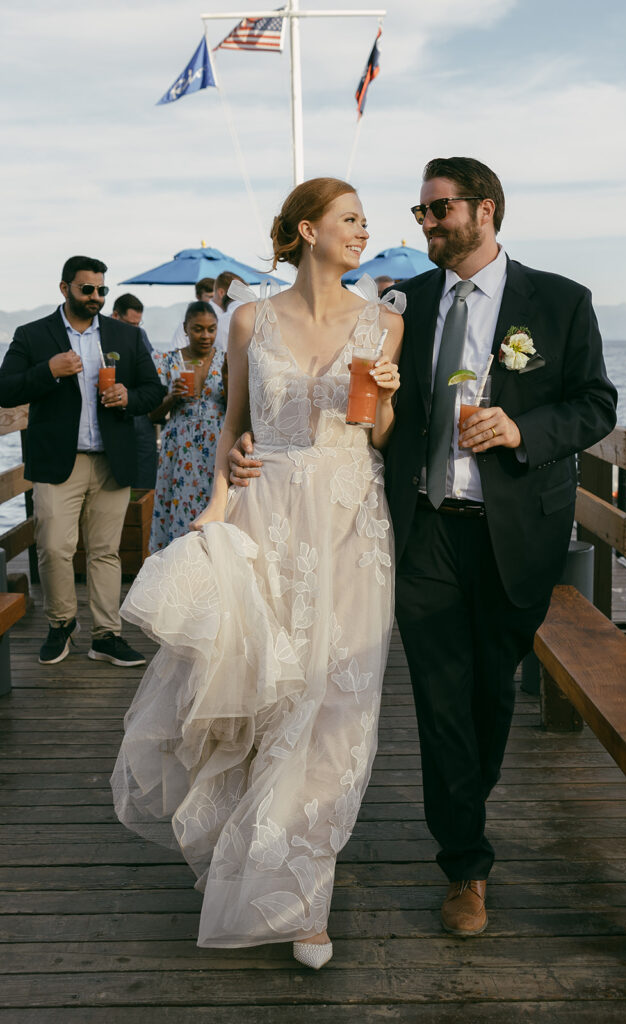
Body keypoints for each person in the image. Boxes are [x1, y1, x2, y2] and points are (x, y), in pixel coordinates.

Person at [228, 157, 617, 938]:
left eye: (439, 211)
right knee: (440, 701)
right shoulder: (403, 305)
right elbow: (359, 406)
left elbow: (596, 404)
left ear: (485, 209)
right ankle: (466, 866)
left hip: (516, 533)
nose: (426, 224)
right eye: (422, 212)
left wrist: (521, 428)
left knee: (491, 697)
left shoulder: (561, 301)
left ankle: (468, 815)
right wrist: (254, 443)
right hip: (423, 528)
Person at [111, 178, 403, 969]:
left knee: (334, 706)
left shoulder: (385, 323)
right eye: (349, 218)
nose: (362, 229)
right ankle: (247, 862)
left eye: (364, 221)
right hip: (263, 513)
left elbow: (378, 435)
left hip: (348, 523)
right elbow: (231, 425)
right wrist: (214, 506)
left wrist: (384, 400)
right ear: (307, 229)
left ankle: (304, 897)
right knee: (266, 693)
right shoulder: (249, 319)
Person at [0, 256, 166, 666]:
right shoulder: (32, 334)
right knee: (54, 547)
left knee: (106, 552)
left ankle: (107, 636)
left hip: (112, 460)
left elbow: (153, 390)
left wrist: (128, 397)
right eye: (87, 289)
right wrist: (49, 370)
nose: (96, 297)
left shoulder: (126, 335)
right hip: (58, 462)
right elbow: (5, 390)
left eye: (101, 290)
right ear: (65, 289)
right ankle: (61, 625)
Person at [148, 301, 226, 551]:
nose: (205, 336)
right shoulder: (168, 361)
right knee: (177, 508)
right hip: (179, 449)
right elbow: (152, 415)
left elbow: (239, 408)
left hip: (217, 447)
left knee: (216, 513)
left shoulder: (226, 361)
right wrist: (172, 397)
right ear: (185, 328)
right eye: (198, 329)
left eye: (211, 329)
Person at [112, 293, 158, 490]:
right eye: (131, 324)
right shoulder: (103, 335)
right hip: (112, 410)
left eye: (138, 324)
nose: (135, 329)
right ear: (115, 316)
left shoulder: (140, 335)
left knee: (146, 476)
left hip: (139, 409)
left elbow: (152, 368)